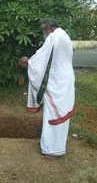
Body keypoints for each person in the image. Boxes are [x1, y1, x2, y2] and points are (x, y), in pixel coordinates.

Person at [19, 18, 75, 160]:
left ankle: (52, 150)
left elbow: (41, 59)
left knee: (53, 115)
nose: (43, 33)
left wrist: (28, 63)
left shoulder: (53, 38)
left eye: (43, 30)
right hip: (65, 79)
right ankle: (49, 143)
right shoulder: (64, 34)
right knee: (60, 113)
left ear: (47, 28)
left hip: (57, 81)